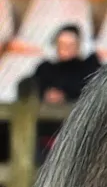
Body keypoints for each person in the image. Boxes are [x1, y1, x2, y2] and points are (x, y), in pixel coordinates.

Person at [20, 24, 101, 162]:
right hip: (45, 133)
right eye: (62, 44)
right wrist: (45, 94)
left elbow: (91, 92)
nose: (66, 48)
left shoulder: (89, 69)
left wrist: (66, 96)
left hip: (77, 134)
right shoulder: (45, 69)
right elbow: (27, 88)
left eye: (71, 44)